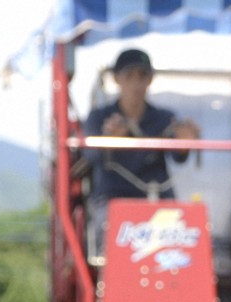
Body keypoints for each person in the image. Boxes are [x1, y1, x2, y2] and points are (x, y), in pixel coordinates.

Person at [81, 48, 199, 261]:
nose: (136, 84)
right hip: (112, 201)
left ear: (150, 79)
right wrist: (109, 142)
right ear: (117, 79)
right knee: (112, 243)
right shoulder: (99, 117)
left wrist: (185, 143)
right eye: (129, 76)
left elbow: (179, 156)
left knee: (186, 240)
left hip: (159, 202)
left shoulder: (165, 118)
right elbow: (89, 156)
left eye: (142, 76)